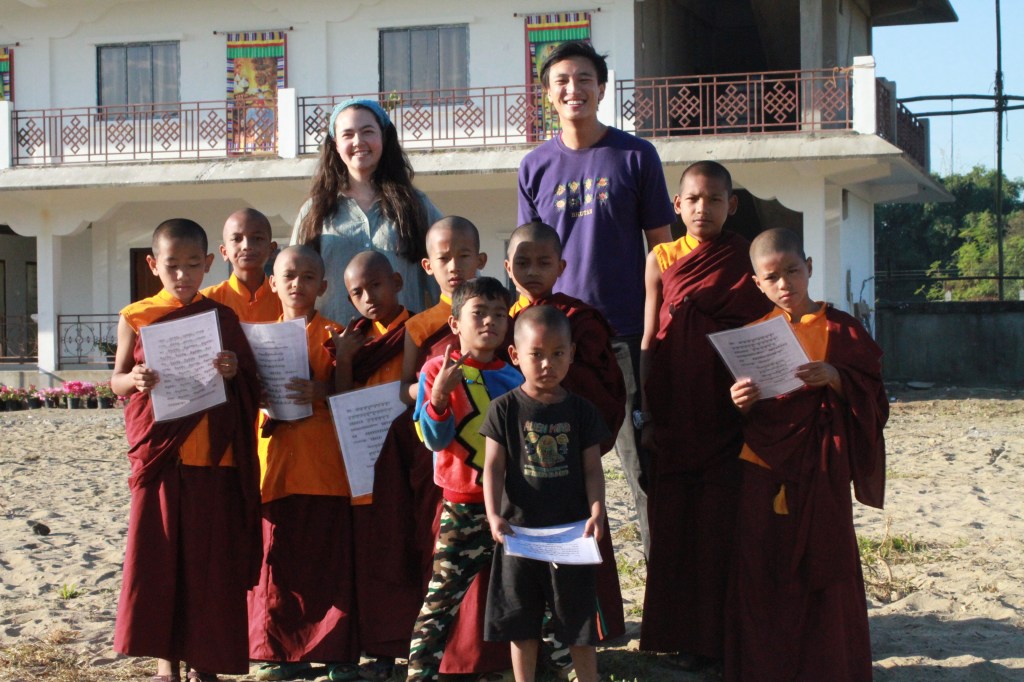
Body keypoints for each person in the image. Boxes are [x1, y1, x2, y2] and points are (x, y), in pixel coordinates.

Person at [517, 40, 676, 557]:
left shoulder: (636, 156)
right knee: (555, 469)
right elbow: (527, 260)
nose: (574, 89)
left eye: (584, 79)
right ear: (547, 94)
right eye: (561, 81)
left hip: (626, 334)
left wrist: (659, 328)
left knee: (643, 470)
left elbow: (662, 250)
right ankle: (569, 592)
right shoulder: (534, 166)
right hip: (559, 341)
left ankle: (661, 593)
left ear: (602, 88)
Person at [725, 228, 887, 681]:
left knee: (826, 564)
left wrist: (837, 377)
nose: (784, 284)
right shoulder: (753, 336)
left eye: (793, 271)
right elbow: (744, 416)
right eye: (771, 277)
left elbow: (876, 401)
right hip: (762, 464)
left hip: (820, 466)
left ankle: (829, 665)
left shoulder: (842, 328)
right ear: (757, 283)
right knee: (760, 566)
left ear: (809, 268)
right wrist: (740, 401)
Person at [111, 218, 262, 682]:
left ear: (209, 263)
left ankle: (205, 662)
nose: (183, 275)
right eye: (172, 265)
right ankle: (166, 664)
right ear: (153, 265)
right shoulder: (136, 316)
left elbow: (251, 383)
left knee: (208, 568)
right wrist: (134, 380)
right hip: (163, 462)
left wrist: (234, 370)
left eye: (193, 265)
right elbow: (116, 381)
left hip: (214, 462)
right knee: (162, 564)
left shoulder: (221, 318)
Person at [638, 161, 773, 671]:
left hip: (728, 413)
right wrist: (647, 412)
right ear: (677, 205)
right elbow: (650, 337)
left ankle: (722, 638)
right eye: (693, 199)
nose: (703, 208)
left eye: (714, 199)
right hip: (675, 409)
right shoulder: (661, 258)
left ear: (731, 206)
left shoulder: (745, 258)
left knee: (721, 528)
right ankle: (680, 637)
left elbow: (764, 333)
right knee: (676, 526)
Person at [504, 221, 626, 659]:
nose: (532, 271)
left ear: (562, 267)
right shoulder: (499, 319)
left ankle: (583, 636)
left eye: (544, 262)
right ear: (507, 267)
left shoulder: (580, 320)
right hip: (518, 458)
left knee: (577, 549)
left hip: (570, 456)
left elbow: (605, 388)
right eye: (523, 262)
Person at [247, 245, 359, 682]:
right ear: (273, 283)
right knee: (279, 566)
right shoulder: (258, 339)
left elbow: (352, 398)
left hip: (325, 466)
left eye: (308, 277)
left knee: (326, 562)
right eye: (289, 276)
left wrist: (322, 391)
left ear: (323, 286)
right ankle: (280, 656)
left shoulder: (336, 337)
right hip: (275, 466)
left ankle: (332, 653)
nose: (298, 284)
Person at [481, 306, 610, 682]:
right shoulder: (504, 410)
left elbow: (592, 469)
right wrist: (493, 514)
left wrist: (597, 510)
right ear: (515, 355)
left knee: (578, 620)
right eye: (536, 354)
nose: (547, 364)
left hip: (571, 534)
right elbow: (493, 468)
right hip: (519, 533)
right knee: (520, 621)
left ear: (572, 354)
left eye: (557, 353)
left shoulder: (582, 412)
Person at [407, 277, 523, 682]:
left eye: (499, 314)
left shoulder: (514, 377)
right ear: (455, 323)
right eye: (479, 313)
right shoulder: (436, 370)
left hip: (511, 504)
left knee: (531, 590)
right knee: (442, 599)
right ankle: (419, 674)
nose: (490, 321)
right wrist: (439, 397)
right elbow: (434, 440)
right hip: (462, 504)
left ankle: (556, 666)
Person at [331, 250, 411, 681]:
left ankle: (412, 645)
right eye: (357, 292)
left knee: (407, 552)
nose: (368, 298)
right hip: (365, 457)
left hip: (410, 458)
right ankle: (380, 651)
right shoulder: (355, 339)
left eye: (376, 286)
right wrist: (344, 358)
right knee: (373, 557)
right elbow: (342, 402)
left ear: (396, 282)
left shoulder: (418, 330)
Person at [292, 98, 443, 323]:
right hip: (334, 343)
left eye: (367, 131)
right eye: (348, 134)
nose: (358, 141)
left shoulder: (416, 205)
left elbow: (446, 280)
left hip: (403, 342)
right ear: (335, 145)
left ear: (383, 137)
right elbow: (291, 285)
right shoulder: (313, 212)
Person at [201, 208, 282, 323]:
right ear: (224, 252)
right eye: (237, 239)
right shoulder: (206, 300)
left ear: (271, 249)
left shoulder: (284, 298)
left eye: (257, 238)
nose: (246, 246)